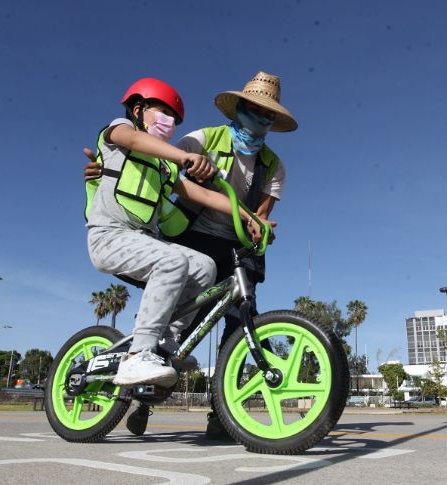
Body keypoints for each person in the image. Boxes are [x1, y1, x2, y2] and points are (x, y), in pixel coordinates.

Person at [84, 71, 296, 438]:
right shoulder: (196, 139)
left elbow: (224, 200)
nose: (260, 119)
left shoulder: (273, 165)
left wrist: (254, 220)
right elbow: (138, 146)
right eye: (254, 110)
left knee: (237, 313)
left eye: (268, 115)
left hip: (238, 245)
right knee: (182, 285)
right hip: (189, 233)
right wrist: (179, 160)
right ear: (239, 108)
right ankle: (142, 383)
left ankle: (218, 408)